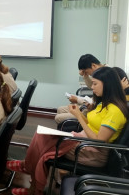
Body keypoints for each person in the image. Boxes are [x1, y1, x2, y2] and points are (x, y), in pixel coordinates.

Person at [7, 67, 128, 195]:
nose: (92, 87)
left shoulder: (114, 111)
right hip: (83, 141)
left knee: (44, 145)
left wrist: (79, 117)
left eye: (95, 84)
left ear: (108, 85)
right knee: (40, 135)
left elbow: (99, 140)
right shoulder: (104, 103)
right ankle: (29, 170)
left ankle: (34, 186)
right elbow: (93, 125)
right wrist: (78, 114)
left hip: (92, 152)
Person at [55, 54, 104, 124]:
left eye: (86, 72)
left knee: (58, 118)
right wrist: (85, 75)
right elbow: (92, 87)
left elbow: (97, 102)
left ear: (93, 66)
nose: (92, 87)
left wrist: (78, 100)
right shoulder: (100, 72)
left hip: (92, 110)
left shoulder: (104, 75)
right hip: (90, 106)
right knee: (60, 109)